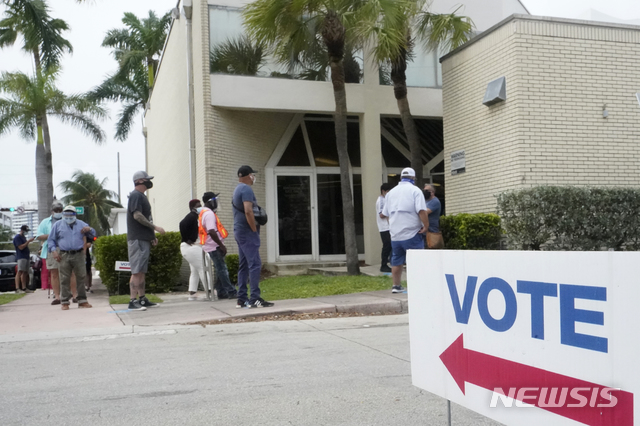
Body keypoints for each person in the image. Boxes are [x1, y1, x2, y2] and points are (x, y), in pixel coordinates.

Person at [381, 167, 430, 293]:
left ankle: (396, 286)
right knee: (416, 260)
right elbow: (421, 211)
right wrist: (426, 226)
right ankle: (417, 286)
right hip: (412, 232)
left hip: (395, 235)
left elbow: (385, 214)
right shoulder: (415, 191)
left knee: (396, 261)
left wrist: (392, 227)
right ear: (413, 178)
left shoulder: (390, 193)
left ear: (401, 177)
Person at [232, 165, 274, 308]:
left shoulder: (237, 189)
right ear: (248, 176)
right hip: (247, 232)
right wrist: (254, 228)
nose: (253, 177)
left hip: (239, 231)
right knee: (255, 264)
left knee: (243, 265)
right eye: (252, 175)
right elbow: (248, 211)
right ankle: (255, 298)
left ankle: (241, 299)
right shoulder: (246, 189)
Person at [127, 171, 166, 311]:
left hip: (143, 238)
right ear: (140, 181)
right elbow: (137, 216)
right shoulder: (135, 195)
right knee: (136, 271)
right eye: (147, 180)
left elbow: (145, 218)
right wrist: (155, 228)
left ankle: (142, 299)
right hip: (137, 239)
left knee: (141, 271)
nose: (149, 182)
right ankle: (132, 301)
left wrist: (151, 236)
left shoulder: (141, 197)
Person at [48, 205, 95, 310]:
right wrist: (54, 251)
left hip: (78, 254)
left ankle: (82, 300)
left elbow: (93, 234)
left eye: (71, 214)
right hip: (64, 254)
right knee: (64, 278)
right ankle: (64, 301)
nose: (68, 216)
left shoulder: (81, 224)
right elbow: (51, 239)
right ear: (63, 215)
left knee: (81, 277)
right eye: (66, 214)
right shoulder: (58, 225)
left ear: (75, 215)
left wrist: (90, 229)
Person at [200, 192, 237, 299]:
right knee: (222, 269)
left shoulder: (204, 212)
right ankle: (231, 292)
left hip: (211, 246)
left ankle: (221, 292)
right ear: (209, 202)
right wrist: (221, 245)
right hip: (214, 246)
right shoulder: (209, 214)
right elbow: (211, 231)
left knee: (219, 269)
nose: (216, 203)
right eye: (214, 200)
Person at [179, 198, 206, 301]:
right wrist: (188, 239)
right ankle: (209, 290)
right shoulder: (192, 216)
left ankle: (192, 291)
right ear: (193, 208)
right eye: (198, 205)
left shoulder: (195, 217)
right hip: (191, 247)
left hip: (189, 248)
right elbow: (182, 224)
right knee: (203, 268)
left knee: (194, 270)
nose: (200, 207)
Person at [376, 183, 393, 273]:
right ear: (383, 191)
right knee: (387, 245)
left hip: (387, 227)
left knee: (389, 246)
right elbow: (381, 214)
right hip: (384, 227)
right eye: (388, 191)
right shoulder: (381, 201)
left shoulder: (386, 200)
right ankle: (383, 265)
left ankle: (388, 263)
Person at [13, 225, 35, 293]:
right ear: (22, 230)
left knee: (25, 272)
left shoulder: (23, 237)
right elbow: (20, 247)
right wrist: (28, 241)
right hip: (21, 257)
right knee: (20, 271)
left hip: (26, 256)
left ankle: (24, 287)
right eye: (26, 231)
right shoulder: (17, 237)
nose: (26, 232)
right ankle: (17, 288)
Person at [424, 184, 444, 249]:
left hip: (432, 230)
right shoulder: (425, 201)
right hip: (425, 231)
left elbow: (425, 212)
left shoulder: (435, 201)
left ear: (432, 192)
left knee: (432, 248)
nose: (424, 192)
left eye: (426, 191)